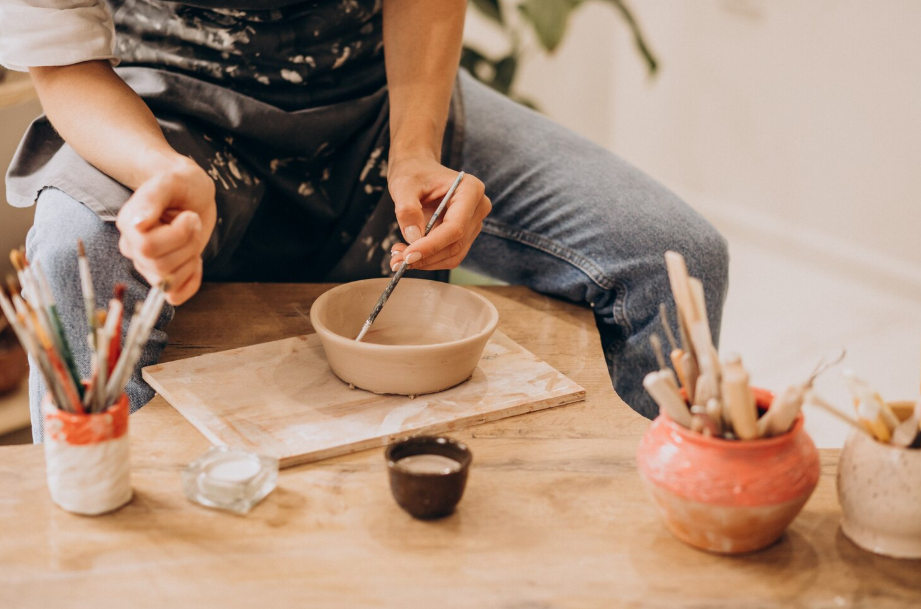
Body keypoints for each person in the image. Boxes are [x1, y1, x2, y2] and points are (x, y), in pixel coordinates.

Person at [0, 0, 728, 442]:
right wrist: (162, 174)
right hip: (162, 110)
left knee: (673, 257)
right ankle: (125, 565)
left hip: (382, 90)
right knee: (75, 259)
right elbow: (64, 64)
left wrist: (416, 149)